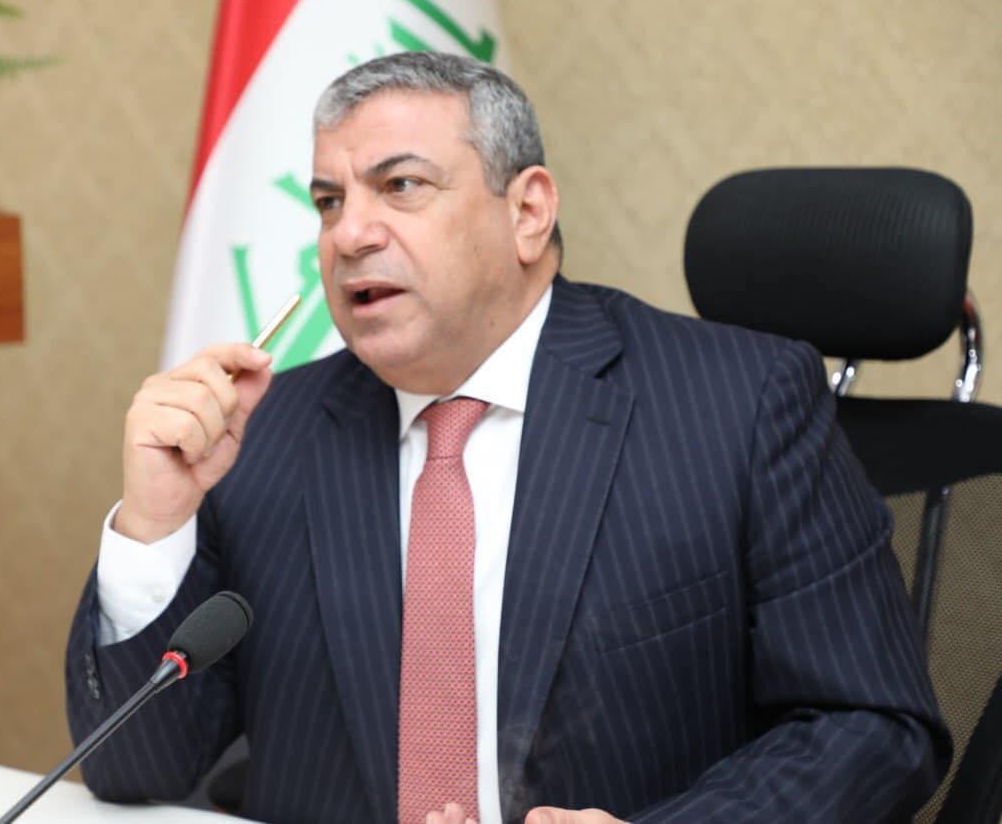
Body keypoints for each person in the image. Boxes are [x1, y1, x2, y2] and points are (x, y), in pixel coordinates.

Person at [65, 52, 949, 824]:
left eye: (400, 186)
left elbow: (873, 726)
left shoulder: (739, 403)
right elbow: (135, 770)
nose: (349, 235)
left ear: (528, 211)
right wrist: (155, 522)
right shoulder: (264, 432)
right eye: (330, 201)